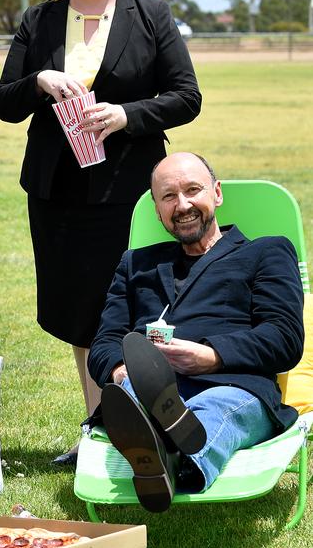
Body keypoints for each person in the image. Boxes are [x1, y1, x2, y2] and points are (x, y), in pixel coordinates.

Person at [0, 0, 201, 465]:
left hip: (129, 192)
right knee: (83, 312)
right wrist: (37, 81)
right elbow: (3, 103)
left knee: (137, 305)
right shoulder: (39, 21)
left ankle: (150, 421)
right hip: (58, 194)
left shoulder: (151, 15)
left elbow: (186, 96)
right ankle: (98, 428)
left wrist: (126, 115)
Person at [88, 151, 305, 512]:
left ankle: (163, 457)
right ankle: (165, 445)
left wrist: (211, 356)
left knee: (215, 409)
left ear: (216, 193)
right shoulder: (136, 264)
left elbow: (284, 338)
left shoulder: (266, 252)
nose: (183, 204)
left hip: (233, 385)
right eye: (169, 197)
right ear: (157, 209)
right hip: (147, 384)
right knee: (132, 391)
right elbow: (105, 342)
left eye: (193, 190)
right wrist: (121, 370)